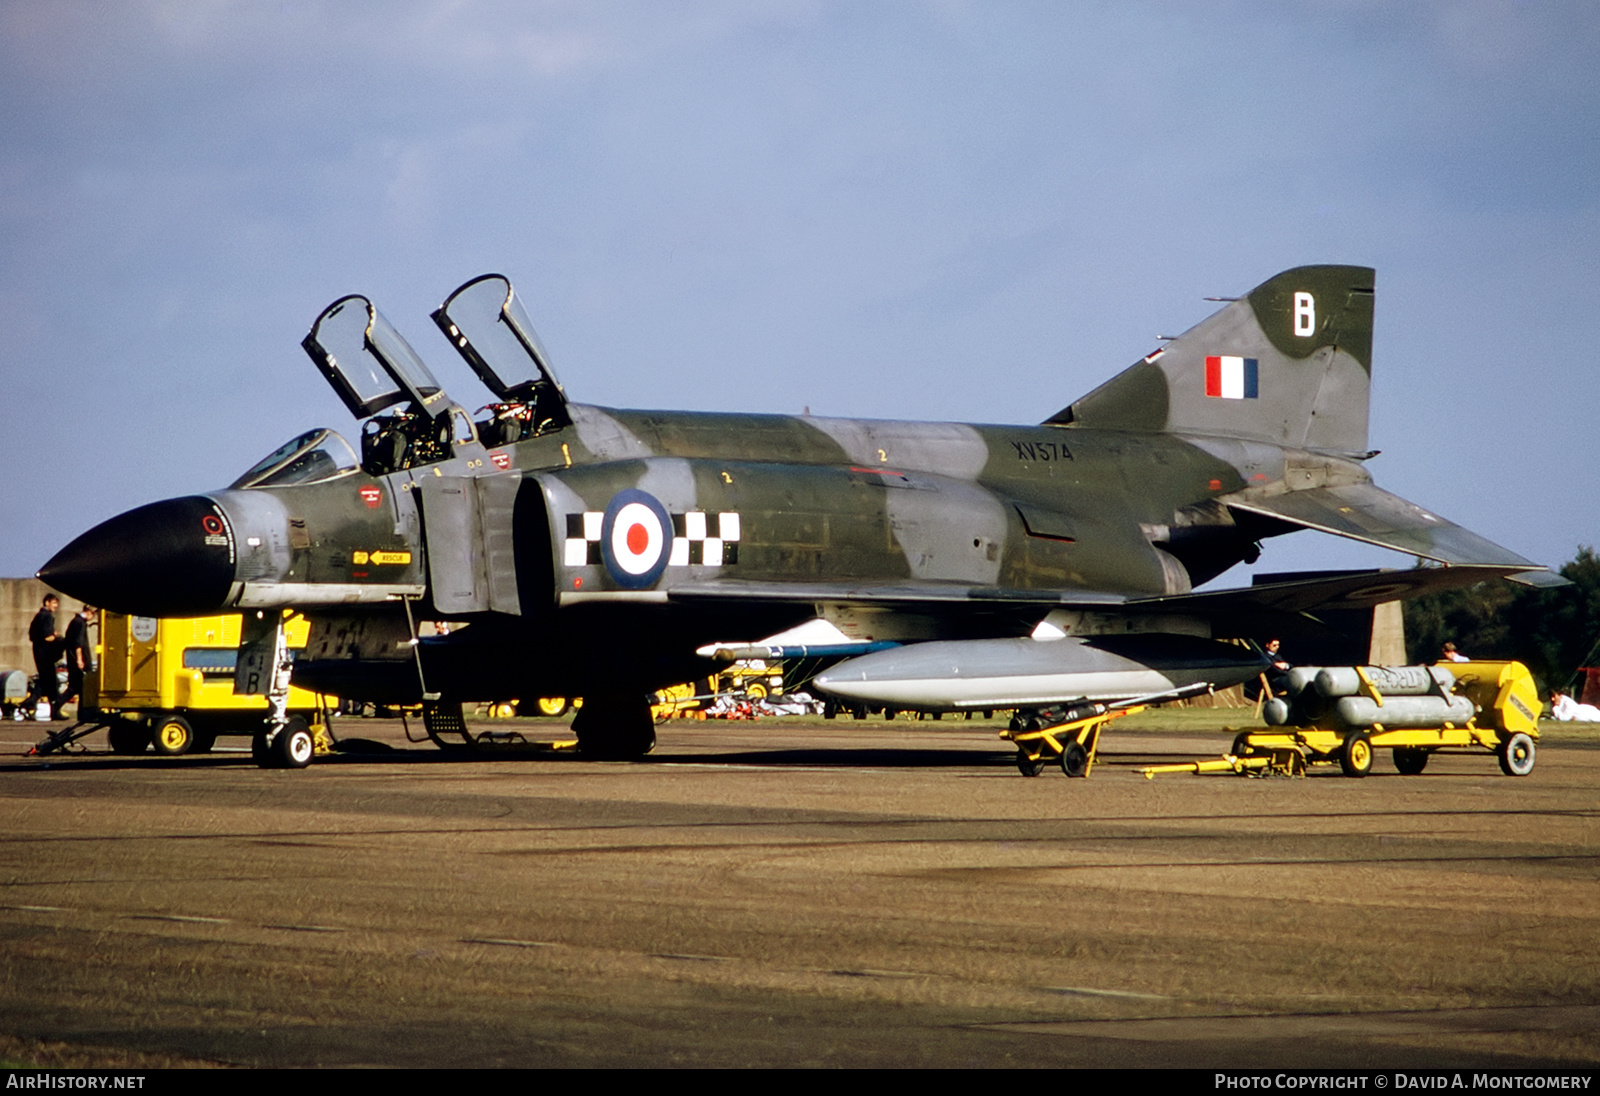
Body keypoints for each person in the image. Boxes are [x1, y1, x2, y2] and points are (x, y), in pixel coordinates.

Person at [26, 594, 63, 720]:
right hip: (46, 653)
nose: (56, 606)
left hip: (38, 651)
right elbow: (48, 637)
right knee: (50, 680)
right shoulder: (47, 616)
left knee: (46, 680)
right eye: (54, 603)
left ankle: (34, 704)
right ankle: (33, 702)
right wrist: (57, 637)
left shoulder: (38, 616)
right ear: (47, 602)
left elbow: (32, 635)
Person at [61, 604, 97, 716]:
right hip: (79, 659)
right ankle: (83, 711)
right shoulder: (80, 623)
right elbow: (78, 643)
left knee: (76, 686)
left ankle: (81, 711)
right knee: (81, 686)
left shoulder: (75, 622)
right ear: (90, 612)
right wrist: (80, 659)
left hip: (73, 658)